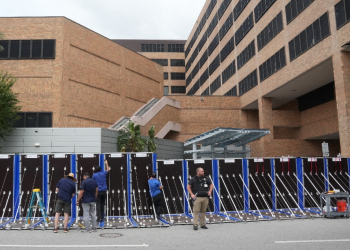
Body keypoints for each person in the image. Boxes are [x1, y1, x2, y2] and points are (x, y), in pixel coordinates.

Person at [92, 159, 109, 224]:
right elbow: (108, 170)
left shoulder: (94, 175)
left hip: (98, 191)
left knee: (98, 204)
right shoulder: (103, 173)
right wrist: (106, 163)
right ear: (101, 169)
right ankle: (102, 216)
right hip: (104, 191)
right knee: (102, 204)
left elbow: (93, 182)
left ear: (96, 170)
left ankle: (99, 218)